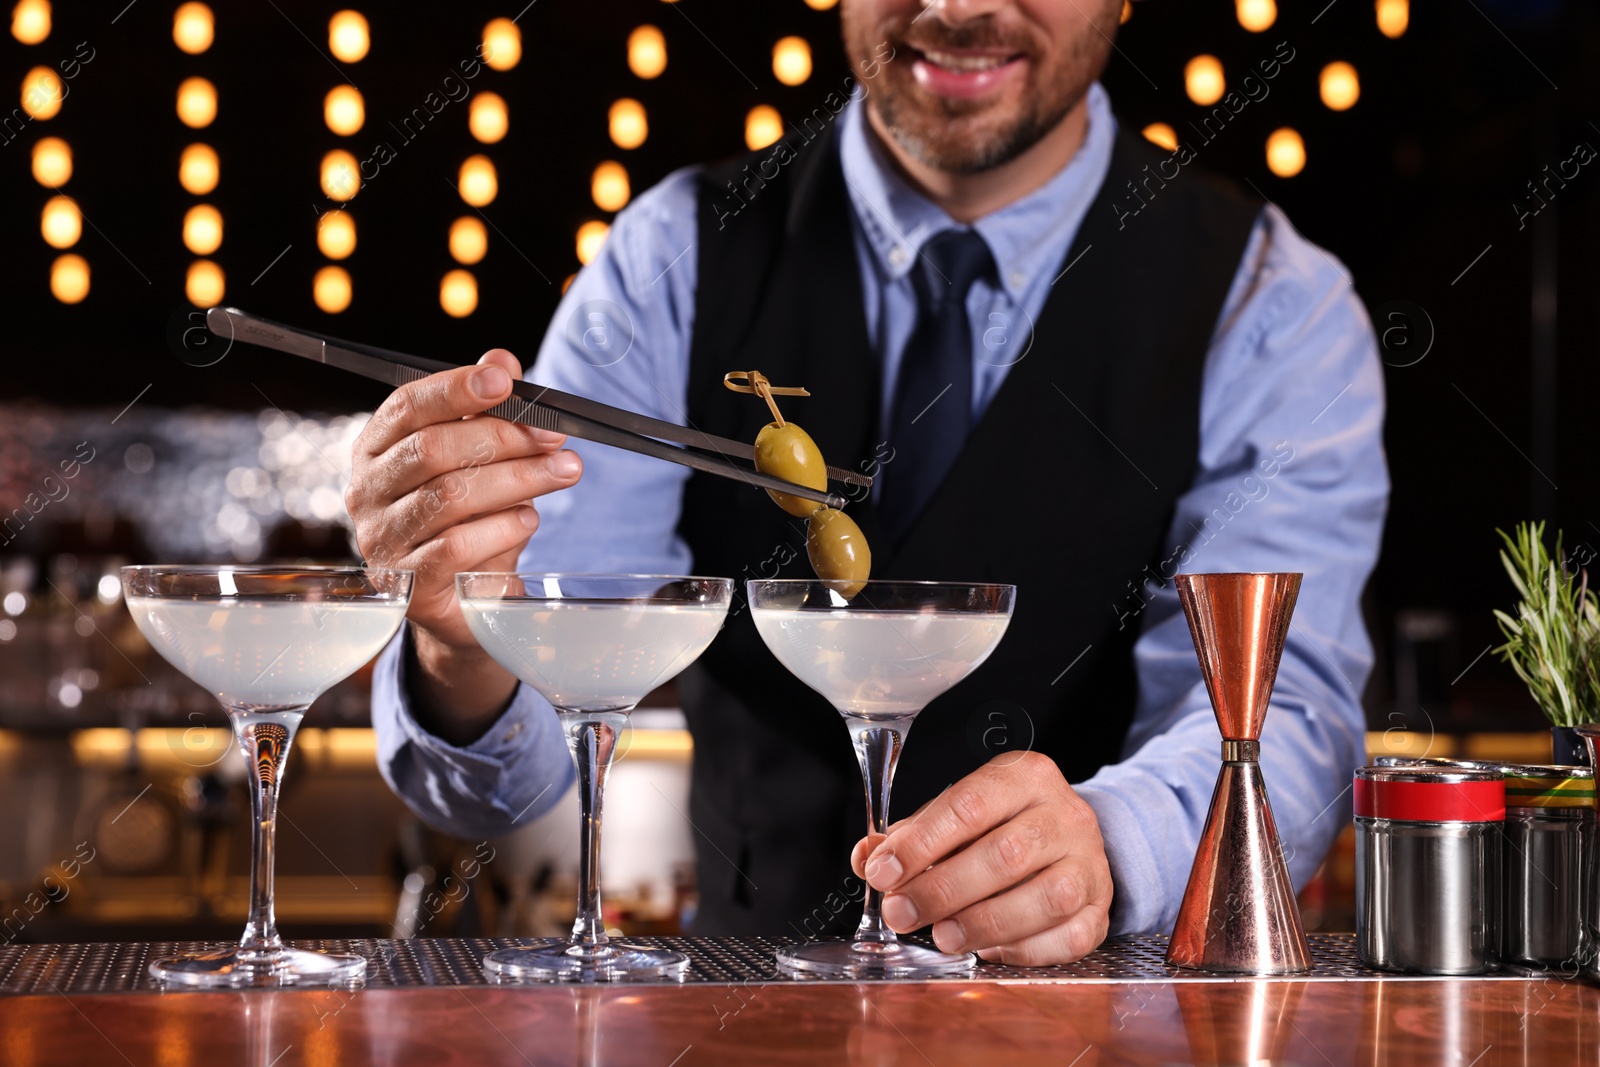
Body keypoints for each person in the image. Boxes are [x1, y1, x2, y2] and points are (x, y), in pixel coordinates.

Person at [350, 0, 1386, 965]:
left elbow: (1282, 711)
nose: (959, 6)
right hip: (745, 1012)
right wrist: (457, 642)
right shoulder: (671, 255)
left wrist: (1116, 841)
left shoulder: (1271, 301)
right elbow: (509, 767)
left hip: (1105, 1016)